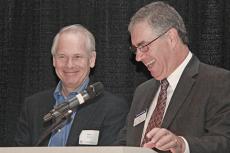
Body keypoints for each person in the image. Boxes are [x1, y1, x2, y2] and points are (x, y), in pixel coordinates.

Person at [116, 1, 230, 153]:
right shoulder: (142, 92)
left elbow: (224, 142)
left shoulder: (219, 82)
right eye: (135, 49)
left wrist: (182, 145)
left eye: (143, 46)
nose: (138, 57)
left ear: (171, 38)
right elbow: (125, 144)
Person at [14, 24, 128, 146]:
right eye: (62, 57)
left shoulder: (113, 108)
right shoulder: (32, 106)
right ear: (53, 60)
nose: (69, 65)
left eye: (77, 57)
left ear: (92, 59)